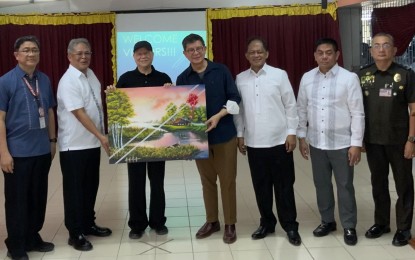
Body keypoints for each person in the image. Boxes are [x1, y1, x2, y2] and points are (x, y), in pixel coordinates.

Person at [233, 37, 301, 246]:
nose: (256, 55)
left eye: (259, 51)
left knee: (284, 187)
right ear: (246, 55)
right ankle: (267, 223)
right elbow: (239, 111)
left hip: (280, 141)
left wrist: (292, 133)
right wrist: (240, 134)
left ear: (266, 54)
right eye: (252, 52)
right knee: (261, 187)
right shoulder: (240, 78)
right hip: (254, 143)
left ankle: (290, 226)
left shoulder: (279, 75)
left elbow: (291, 105)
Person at [297, 37, 364, 246]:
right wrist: (302, 137)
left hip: (342, 143)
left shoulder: (349, 78)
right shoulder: (307, 78)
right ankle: (327, 221)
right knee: (322, 185)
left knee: (345, 185)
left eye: (328, 52)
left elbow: (358, 113)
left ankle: (349, 225)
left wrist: (356, 143)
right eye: (320, 52)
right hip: (317, 142)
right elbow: (301, 109)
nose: (324, 56)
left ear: (337, 55)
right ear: (315, 55)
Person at [176, 33, 241, 244]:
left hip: (224, 135)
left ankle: (230, 223)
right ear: (185, 54)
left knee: (228, 181)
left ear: (205, 48)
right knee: (207, 182)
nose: (195, 53)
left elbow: (234, 98)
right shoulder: (183, 78)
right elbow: (183, 110)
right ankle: (212, 221)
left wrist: (219, 115)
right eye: (190, 50)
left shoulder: (221, 70)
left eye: (198, 48)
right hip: (198, 139)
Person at [0, 35, 56, 260]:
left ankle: (33, 236)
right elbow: (0, 119)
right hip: (17, 153)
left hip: (42, 150)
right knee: (17, 200)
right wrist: (3, 152)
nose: (31, 54)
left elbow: (50, 111)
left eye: (34, 50)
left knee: (38, 197)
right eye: (26, 50)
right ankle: (16, 243)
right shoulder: (5, 81)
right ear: (16, 55)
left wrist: (52, 142)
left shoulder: (44, 80)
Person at [359, 32, 415, 247]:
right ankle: (381, 223)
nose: (381, 49)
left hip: (399, 140)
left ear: (394, 50)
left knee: (404, 185)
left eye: (386, 45)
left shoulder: (406, 75)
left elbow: (413, 110)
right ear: (371, 50)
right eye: (377, 46)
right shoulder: (362, 75)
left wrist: (411, 139)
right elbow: (357, 110)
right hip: (373, 140)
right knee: (378, 183)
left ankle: (403, 228)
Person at [57, 38, 112, 251]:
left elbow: (95, 106)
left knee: (91, 187)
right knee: (75, 191)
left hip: (91, 143)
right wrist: (101, 135)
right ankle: (75, 233)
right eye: (79, 53)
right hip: (74, 146)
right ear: (69, 56)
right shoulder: (68, 81)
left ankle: (88, 223)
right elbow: (79, 113)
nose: (83, 57)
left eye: (87, 53)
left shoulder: (91, 75)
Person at [115, 41, 172, 239]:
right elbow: (118, 111)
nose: (143, 56)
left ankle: (158, 222)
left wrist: (171, 91)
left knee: (157, 182)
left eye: (146, 53)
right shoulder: (125, 79)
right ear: (134, 57)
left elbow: (170, 107)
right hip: (134, 142)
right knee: (136, 183)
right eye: (139, 54)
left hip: (158, 140)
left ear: (152, 55)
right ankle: (137, 225)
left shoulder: (163, 78)